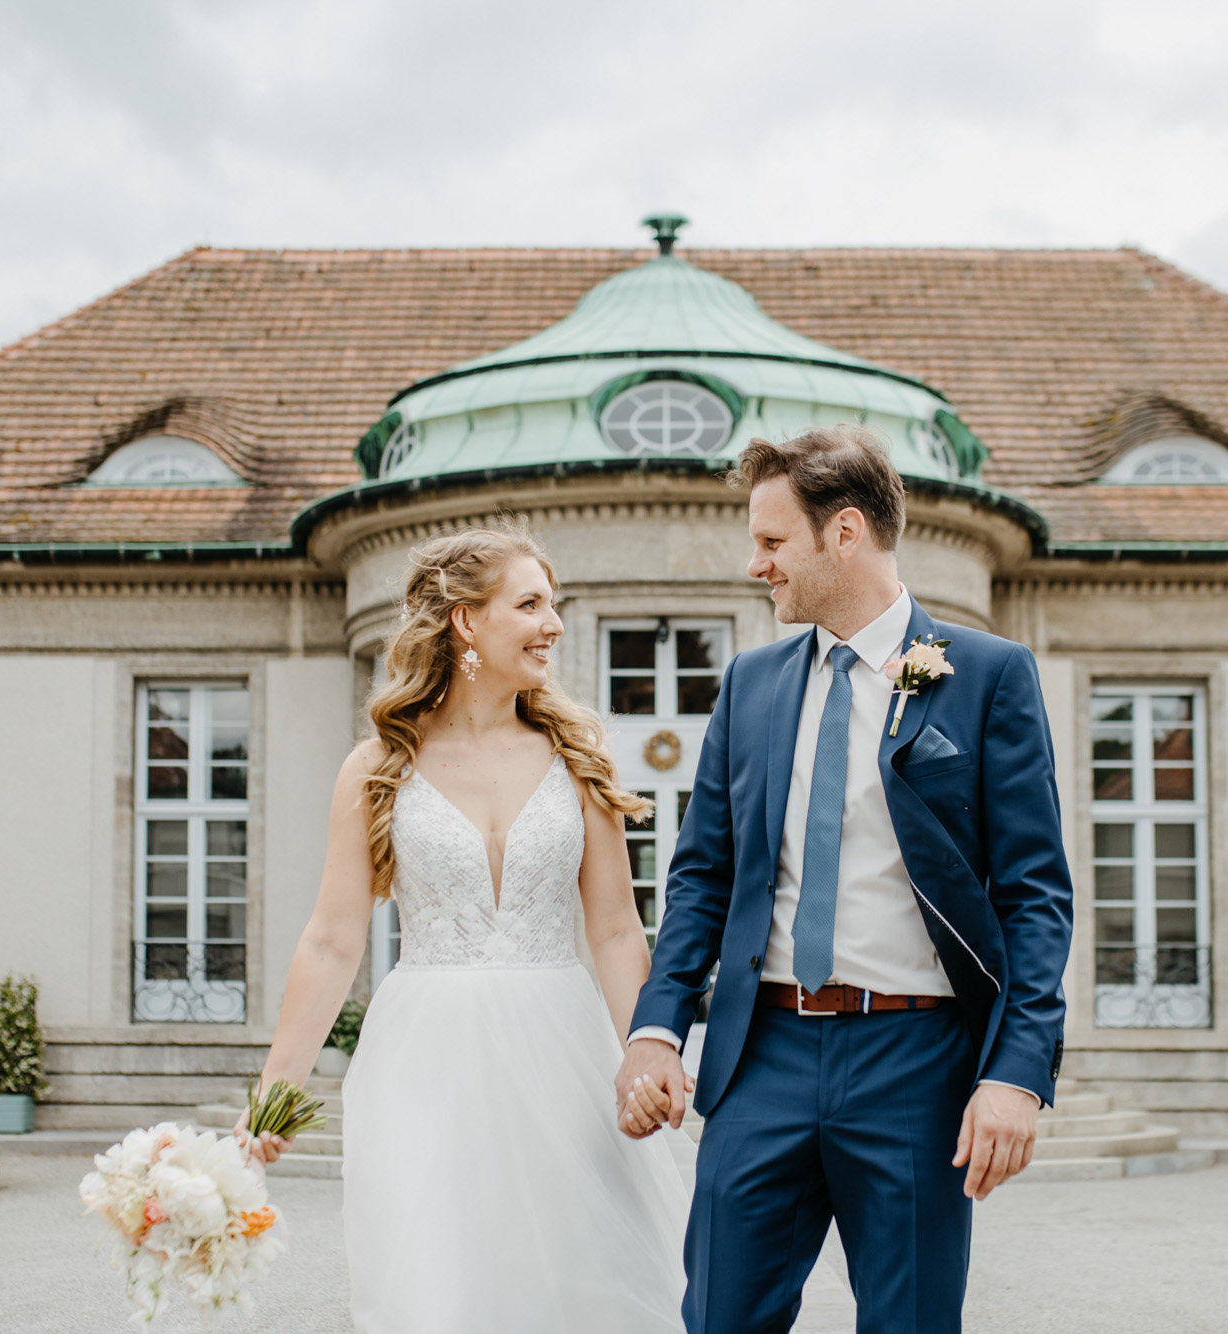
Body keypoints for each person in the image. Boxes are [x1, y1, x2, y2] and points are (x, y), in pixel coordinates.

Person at [616, 426, 1075, 1334]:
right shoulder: (749, 686)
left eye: (773, 542)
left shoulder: (987, 677)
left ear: (847, 532)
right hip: (761, 1061)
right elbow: (702, 875)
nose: (757, 565)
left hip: (916, 1063)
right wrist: (657, 1028)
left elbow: (1035, 894)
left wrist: (1018, 1075)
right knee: (719, 1320)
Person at [240, 526, 687, 1333]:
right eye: (530, 604)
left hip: (566, 1055)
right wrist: (274, 1097)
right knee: (439, 1286)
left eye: (554, 603)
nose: (553, 623)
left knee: (593, 1282)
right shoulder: (378, 764)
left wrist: (646, 1056)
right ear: (465, 622)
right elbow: (333, 940)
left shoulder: (580, 759)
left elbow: (618, 932)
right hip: (425, 1061)